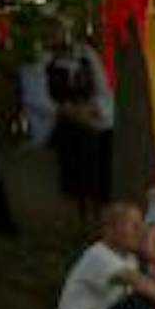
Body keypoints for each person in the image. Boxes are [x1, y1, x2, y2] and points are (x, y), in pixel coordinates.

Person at [43, 23, 115, 229]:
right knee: (76, 146)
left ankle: (99, 210)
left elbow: (101, 88)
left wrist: (95, 113)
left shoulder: (86, 57)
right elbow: (46, 99)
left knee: (99, 147)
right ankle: (80, 212)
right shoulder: (48, 62)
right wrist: (72, 112)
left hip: (91, 115)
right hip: (66, 120)